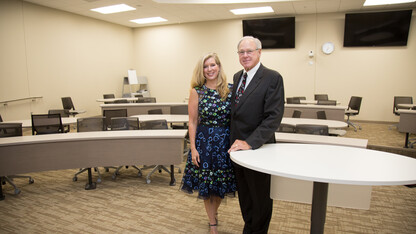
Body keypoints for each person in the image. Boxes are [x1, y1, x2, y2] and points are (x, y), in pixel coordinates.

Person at [228, 36, 285, 234]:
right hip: (238, 151)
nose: (245, 56)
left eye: (249, 51)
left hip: (258, 148)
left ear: (259, 52)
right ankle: (249, 229)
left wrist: (249, 142)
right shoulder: (237, 77)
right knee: (245, 197)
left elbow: (273, 118)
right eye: (241, 52)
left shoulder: (272, 77)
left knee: (260, 199)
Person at [180, 52, 237, 234]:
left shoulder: (230, 89)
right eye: (206, 66)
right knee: (207, 185)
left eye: (213, 65)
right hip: (204, 144)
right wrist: (193, 148)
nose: (210, 69)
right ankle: (212, 223)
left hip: (224, 144)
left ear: (219, 66)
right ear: (201, 70)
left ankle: (214, 212)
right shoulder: (197, 91)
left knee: (221, 185)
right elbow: (193, 122)